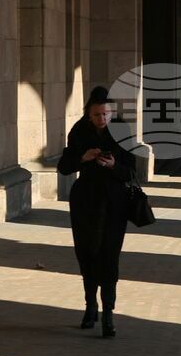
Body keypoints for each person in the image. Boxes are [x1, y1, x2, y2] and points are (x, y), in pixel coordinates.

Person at [56, 86, 136, 337]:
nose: (102, 120)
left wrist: (114, 165)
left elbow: (131, 171)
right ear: (88, 115)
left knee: (110, 256)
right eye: (97, 116)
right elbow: (64, 167)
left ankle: (109, 315)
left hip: (115, 201)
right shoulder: (79, 131)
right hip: (86, 201)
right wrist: (83, 157)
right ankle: (90, 307)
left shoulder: (123, 133)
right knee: (87, 253)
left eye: (106, 114)